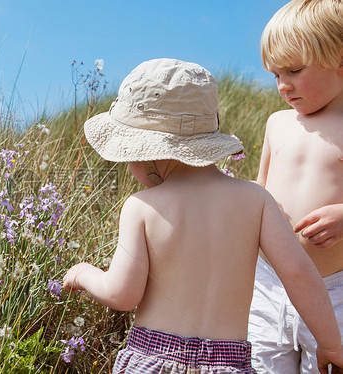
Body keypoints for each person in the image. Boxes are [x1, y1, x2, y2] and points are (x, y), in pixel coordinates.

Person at [62, 58, 343, 374]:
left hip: (153, 358)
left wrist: (83, 273)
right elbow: (299, 273)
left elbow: (122, 294)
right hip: (230, 364)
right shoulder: (257, 200)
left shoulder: (141, 207)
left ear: (149, 154)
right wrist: (331, 344)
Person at [247, 0, 343, 373]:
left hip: (333, 290)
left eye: (294, 70)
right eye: (274, 75)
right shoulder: (277, 123)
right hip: (269, 285)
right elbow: (260, 186)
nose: (283, 86)